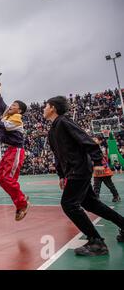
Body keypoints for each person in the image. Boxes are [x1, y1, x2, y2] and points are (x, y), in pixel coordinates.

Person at [44, 96, 124, 256]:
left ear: (53, 107)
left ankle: (96, 242)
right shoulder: (52, 131)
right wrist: (61, 175)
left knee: (69, 204)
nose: (44, 108)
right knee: (91, 204)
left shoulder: (64, 122)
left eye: (46, 106)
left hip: (79, 168)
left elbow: (87, 141)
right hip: (73, 170)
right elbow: (57, 156)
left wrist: (98, 163)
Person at [0, 80, 29, 221]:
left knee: (8, 179)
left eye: (14, 105)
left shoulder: (16, 120)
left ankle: (22, 203)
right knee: (0, 179)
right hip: (10, 150)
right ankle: (20, 201)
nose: (10, 106)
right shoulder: (9, 114)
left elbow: (0, 124)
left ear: (19, 110)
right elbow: (2, 104)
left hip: (16, 151)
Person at [92, 137, 121, 203]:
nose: (93, 140)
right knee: (96, 186)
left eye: (95, 139)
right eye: (93, 139)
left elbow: (101, 156)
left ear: (100, 141)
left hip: (104, 169)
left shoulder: (102, 148)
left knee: (109, 184)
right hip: (97, 169)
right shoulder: (92, 149)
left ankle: (116, 196)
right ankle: (96, 198)